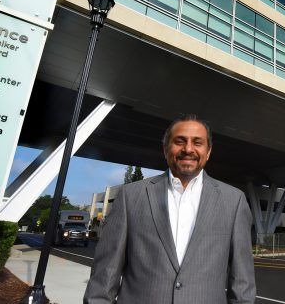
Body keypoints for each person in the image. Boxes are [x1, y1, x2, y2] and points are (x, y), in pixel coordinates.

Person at [84, 115, 256, 304]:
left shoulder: (234, 200)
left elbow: (242, 284)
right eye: (179, 141)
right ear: (166, 150)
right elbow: (104, 277)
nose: (188, 149)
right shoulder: (130, 196)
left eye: (197, 142)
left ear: (208, 152)